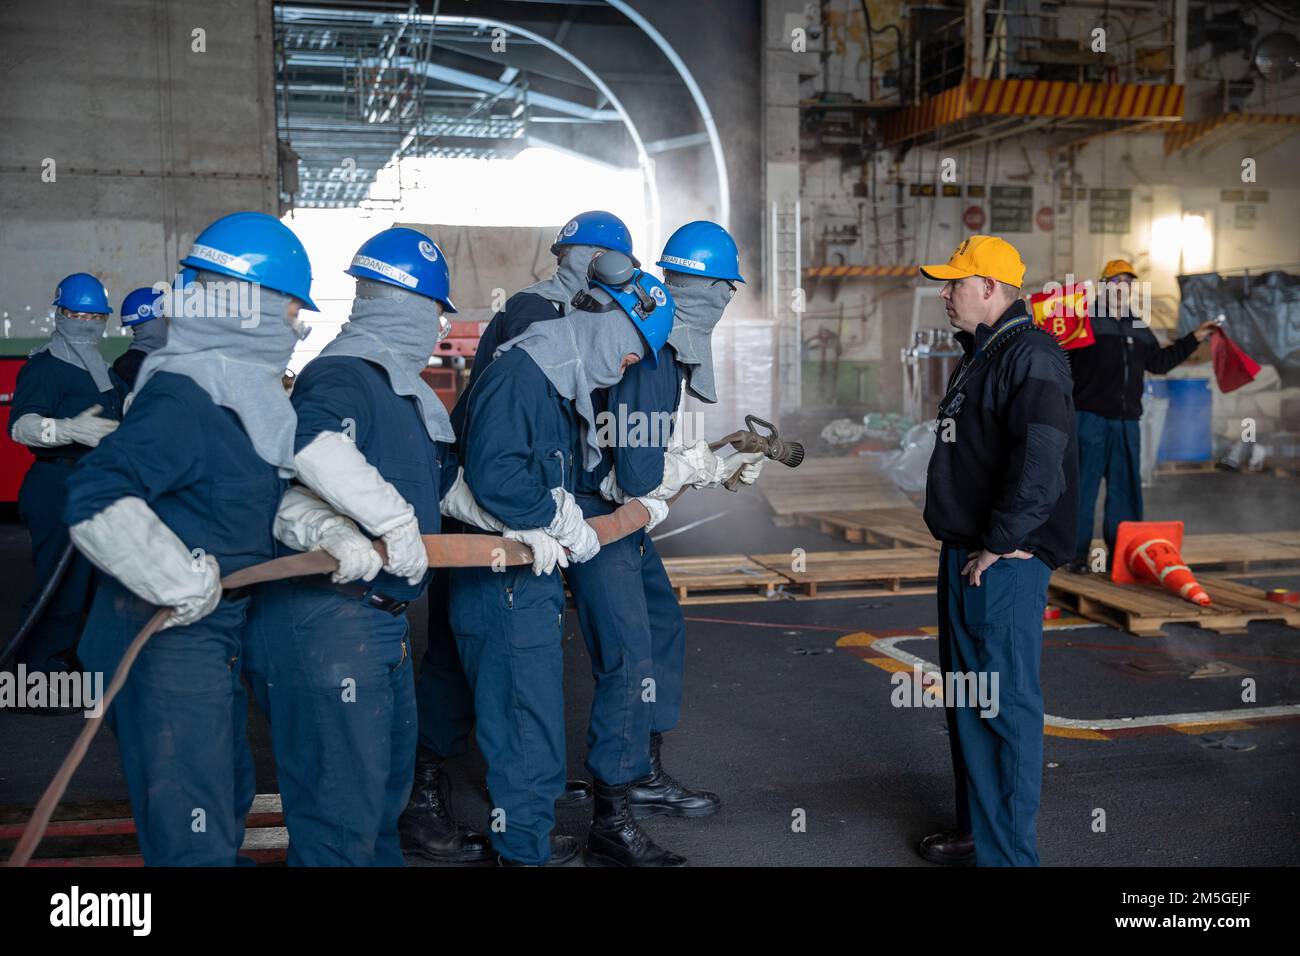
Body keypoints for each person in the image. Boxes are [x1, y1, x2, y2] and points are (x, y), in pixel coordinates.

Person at [64, 211, 316, 866]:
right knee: (192, 828)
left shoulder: (239, 395)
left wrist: (321, 526)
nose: (296, 327)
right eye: (290, 310)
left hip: (210, 636)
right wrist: (174, 578)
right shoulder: (184, 394)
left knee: (223, 793)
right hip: (161, 643)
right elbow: (95, 495)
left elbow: (250, 496)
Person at [239, 227, 492, 866]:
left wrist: (518, 526)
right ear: (405, 304)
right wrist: (394, 523)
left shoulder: (401, 392)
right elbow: (309, 448)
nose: (440, 325)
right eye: (437, 309)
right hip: (325, 619)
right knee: (339, 812)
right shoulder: (343, 375)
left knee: (380, 797)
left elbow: (442, 485)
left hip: (380, 623)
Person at [401, 209, 637, 857]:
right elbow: (509, 457)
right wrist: (556, 511)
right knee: (507, 698)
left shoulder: (549, 326)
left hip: (500, 535)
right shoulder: (541, 324)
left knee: (478, 677)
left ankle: (481, 813)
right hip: (496, 543)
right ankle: (489, 823)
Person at [445, 264, 673, 866]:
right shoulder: (523, 376)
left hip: (526, 580)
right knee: (524, 725)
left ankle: (529, 840)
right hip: (504, 583)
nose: (631, 365)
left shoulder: (551, 380)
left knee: (534, 719)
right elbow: (497, 475)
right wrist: (563, 518)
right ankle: (523, 852)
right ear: (609, 324)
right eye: (634, 351)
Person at [569, 222, 762, 865]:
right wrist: (703, 466)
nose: (728, 299)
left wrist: (710, 456)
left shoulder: (657, 324)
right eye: (725, 288)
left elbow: (637, 440)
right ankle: (612, 813)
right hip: (598, 515)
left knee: (660, 623)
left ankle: (644, 772)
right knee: (627, 656)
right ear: (708, 287)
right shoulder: (653, 346)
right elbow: (636, 472)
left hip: (616, 505)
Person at [915, 235, 1077, 867]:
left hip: (1000, 563)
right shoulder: (984, 353)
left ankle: (1009, 858)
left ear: (990, 287)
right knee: (970, 703)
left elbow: (1042, 458)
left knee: (1003, 709)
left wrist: (1002, 541)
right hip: (966, 554)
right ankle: (977, 833)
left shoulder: (1031, 355)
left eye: (956, 283)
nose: (945, 293)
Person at [1067, 259, 1220, 571]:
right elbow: (1059, 356)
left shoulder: (1138, 326)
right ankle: (1075, 557)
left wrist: (1194, 338)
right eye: (1115, 281)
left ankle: (1123, 557)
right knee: (1081, 492)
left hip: (1126, 423)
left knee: (1125, 494)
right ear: (1103, 286)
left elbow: (1159, 362)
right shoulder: (1084, 320)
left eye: (1127, 282)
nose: (1122, 287)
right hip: (1089, 420)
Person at [9, 273, 122, 675]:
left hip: (92, 488)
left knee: (90, 584)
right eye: (75, 314)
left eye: (94, 316)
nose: (85, 323)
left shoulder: (102, 370)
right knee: (60, 589)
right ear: (59, 314)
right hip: (56, 485)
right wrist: (66, 429)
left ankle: (67, 661)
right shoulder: (45, 367)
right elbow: (19, 426)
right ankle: (33, 674)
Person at [111, 285, 169, 399]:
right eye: (165, 318)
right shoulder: (129, 366)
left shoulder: (163, 358)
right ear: (149, 325)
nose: (170, 324)